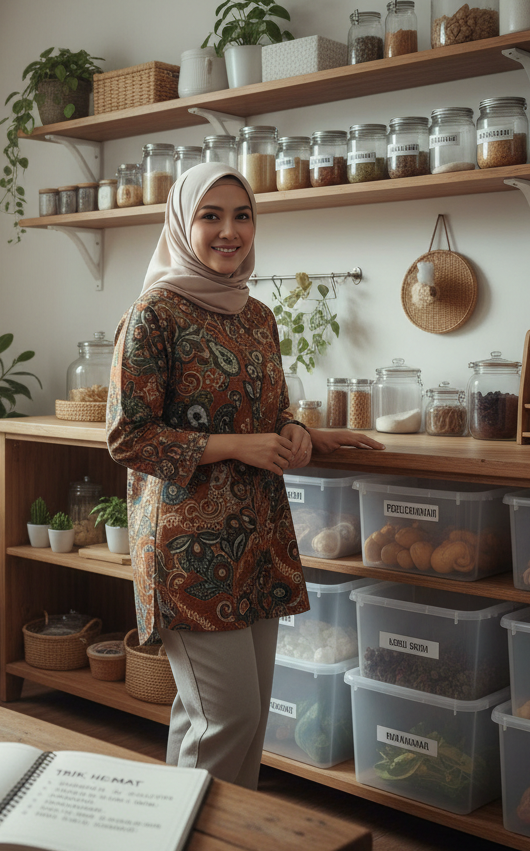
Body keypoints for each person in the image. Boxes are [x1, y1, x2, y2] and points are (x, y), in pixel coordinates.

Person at [106, 162, 384, 789]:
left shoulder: (257, 315)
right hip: (190, 550)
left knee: (239, 718)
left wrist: (302, 433)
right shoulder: (153, 313)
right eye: (210, 216)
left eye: (242, 215)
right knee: (224, 718)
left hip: (257, 538)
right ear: (182, 224)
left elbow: (265, 413)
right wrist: (239, 447)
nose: (229, 232)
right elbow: (128, 436)